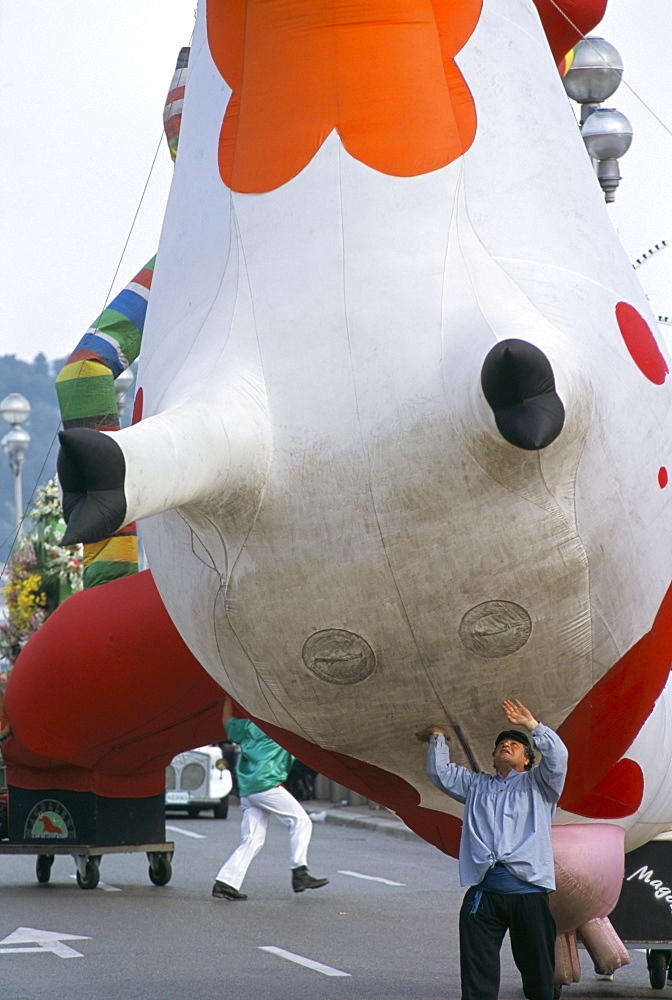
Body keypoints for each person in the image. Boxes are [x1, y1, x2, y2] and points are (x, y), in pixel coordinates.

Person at [416, 698, 568, 1000]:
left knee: (539, 978)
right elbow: (440, 773)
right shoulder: (476, 786)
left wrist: (531, 726)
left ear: (527, 758)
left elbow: (558, 757)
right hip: (484, 895)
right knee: (476, 980)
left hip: (529, 895)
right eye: (502, 744)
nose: (507, 745)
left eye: (515, 743)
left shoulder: (540, 785)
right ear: (493, 757)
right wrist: (438, 736)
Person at [212, 695, 329, 900]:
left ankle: (226, 882)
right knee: (301, 821)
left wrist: (228, 697)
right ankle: (299, 872)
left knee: (253, 839)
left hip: (248, 789)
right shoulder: (281, 729)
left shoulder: (248, 726)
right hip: (266, 784)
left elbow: (226, 722)